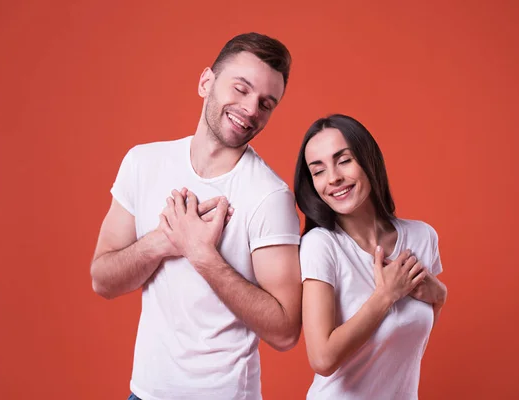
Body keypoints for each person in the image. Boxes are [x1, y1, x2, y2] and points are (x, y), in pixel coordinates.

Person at [90, 32, 302, 400]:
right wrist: (162, 242)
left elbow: (285, 331)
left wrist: (203, 255)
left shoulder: (269, 196)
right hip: (144, 394)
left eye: (266, 103)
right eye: (241, 88)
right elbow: (103, 280)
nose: (251, 109)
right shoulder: (143, 163)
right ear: (206, 82)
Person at [294, 114, 447, 399]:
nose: (334, 178)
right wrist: (385, 296)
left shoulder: (422, 237)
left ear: (368, 159)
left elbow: (411, 336)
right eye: (318, 171)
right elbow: (322, 359)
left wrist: (440, 295)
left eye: (344, 160)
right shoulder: (321, 245)